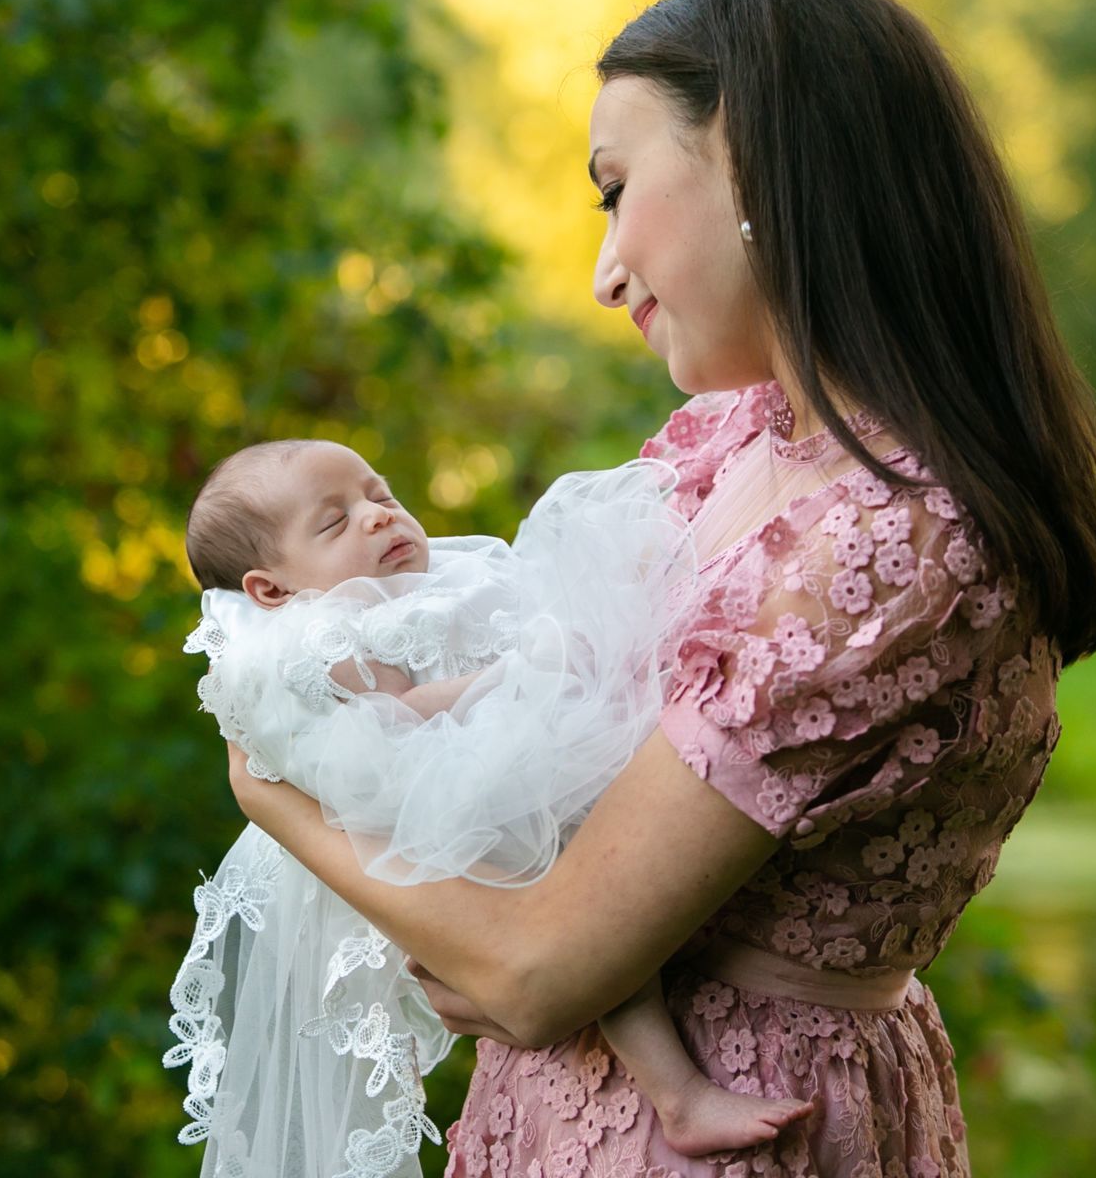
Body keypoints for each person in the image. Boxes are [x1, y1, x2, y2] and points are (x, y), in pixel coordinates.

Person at [221, 0, 1096, 1177]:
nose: (603, 275)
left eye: (615, 188)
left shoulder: (893, 537)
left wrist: (275, 799)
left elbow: (537, 970)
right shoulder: (728, 438)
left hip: (724, 1135)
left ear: (755, 160)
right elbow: (537, 771)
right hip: (571, 1116)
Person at [169, 439, 811, 1178]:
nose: (377, 517)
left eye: (379, 494)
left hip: (467, 788)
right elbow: (401, 720)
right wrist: (520, 672)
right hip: (426, 819)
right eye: (335, 521)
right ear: (272, 588)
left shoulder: (440, 580)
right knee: (583, 916)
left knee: (594, 888)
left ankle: (675, 1087)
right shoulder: (312, 642)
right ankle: (678, 1094)